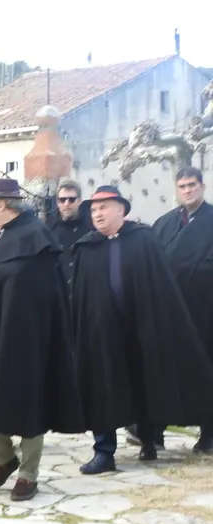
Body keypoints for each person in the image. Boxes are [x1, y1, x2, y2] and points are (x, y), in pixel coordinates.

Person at [0, 178, 83, 501]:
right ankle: (5, 457)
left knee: (29, 403)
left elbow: (37, 294)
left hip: (26, 340)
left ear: (2, 205)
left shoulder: (36, 239)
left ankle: (28, 472)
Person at [70, 186, 213, 474]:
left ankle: (148, 440)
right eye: (94, 209)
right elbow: (80, 294)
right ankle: (104, 451)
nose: (97, 213)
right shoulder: (86, 247)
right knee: (103, 388)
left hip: (141, 327)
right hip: (102, 332)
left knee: (146, 382)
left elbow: (160, 284)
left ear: (121, 210)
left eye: (104, 207)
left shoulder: (143, 240)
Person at [148, 167, 213, 454]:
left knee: (206, 370)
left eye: (192, 185)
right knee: (166, 371)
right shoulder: (164, 223)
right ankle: (154, 431)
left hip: (204, 312)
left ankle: (209, 434)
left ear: (202, 186)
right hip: (169, 312)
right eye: (182, 186)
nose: (187, 190)